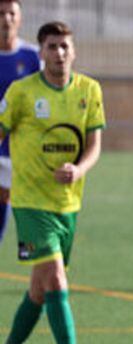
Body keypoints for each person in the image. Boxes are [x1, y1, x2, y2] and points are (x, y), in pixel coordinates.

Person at [0, 21, 103, 344]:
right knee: (57, 279)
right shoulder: (22, 92)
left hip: (67, 204)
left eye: (65, 47)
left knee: (40, 290)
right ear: (40, 52)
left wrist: (79, 169)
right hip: (28, 203)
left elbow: (94, 144)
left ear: (73, 52)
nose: (59, 53)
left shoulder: (89, 91)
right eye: (52, 47)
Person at [0, 0, 38, 245]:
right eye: (1, 13)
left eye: (12, 13)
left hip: (25, 151)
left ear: (20, 18)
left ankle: (39, 277)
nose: (6, 19)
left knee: (30, 217)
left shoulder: (33, 56)